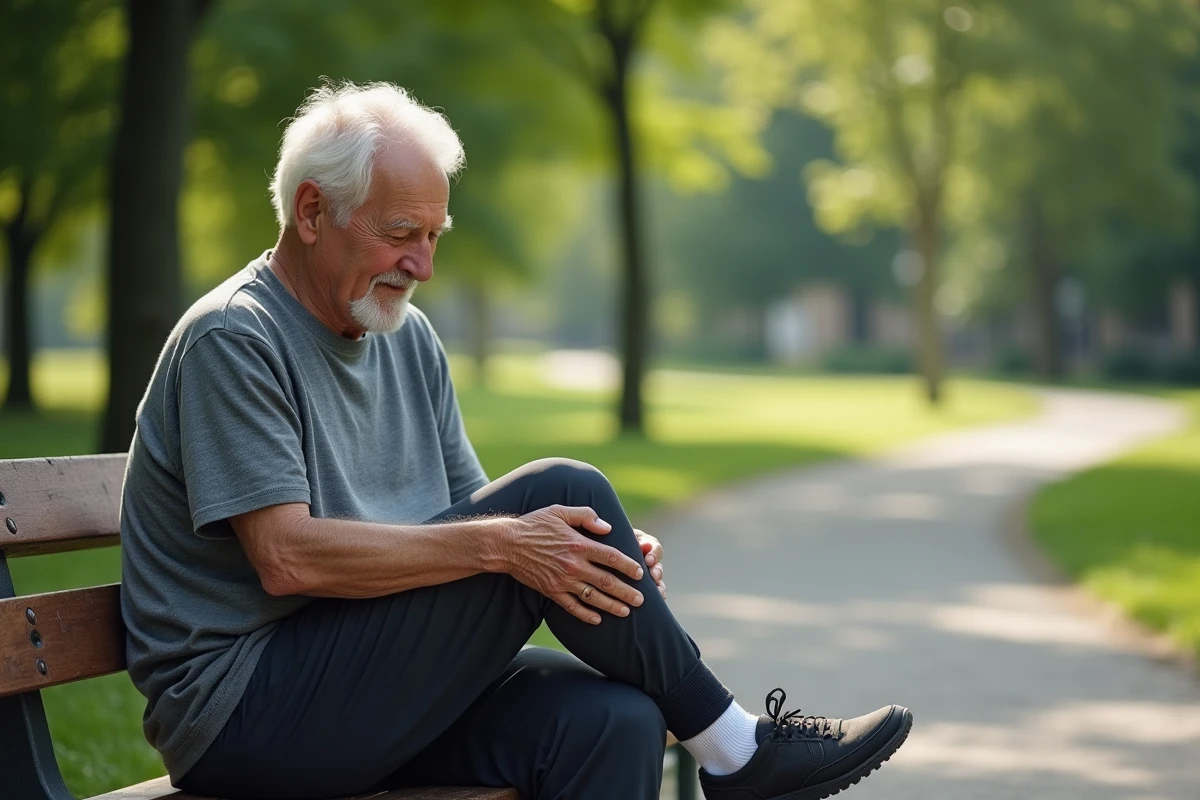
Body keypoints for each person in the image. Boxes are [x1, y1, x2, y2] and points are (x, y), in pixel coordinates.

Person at [118, 81, 912, 800]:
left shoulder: (407, 336)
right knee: (558, 495)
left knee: (616, 719)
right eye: (402, 234)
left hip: (367, 685)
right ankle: (738, 751)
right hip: (246, 717)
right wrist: (514, 545)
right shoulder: (236, 338)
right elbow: (287, 558)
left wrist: (584, 554)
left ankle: (732, 751)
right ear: (314, 211)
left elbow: (471, 514)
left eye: (435, 236)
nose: (423, 266)